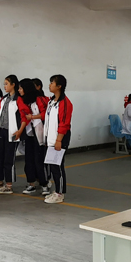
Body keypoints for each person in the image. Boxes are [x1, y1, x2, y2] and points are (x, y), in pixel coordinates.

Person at [17, 78, 50, 196]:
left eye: (21, 88)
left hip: (39, 132)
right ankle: (31, 183)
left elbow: (45, 114)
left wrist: (32, 117)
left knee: (39, 160)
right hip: (29, 133)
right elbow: (23, 117)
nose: (19, 90)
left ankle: (45, 184)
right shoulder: (24, 101)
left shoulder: (39, 99)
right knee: (29, 160)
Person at [44, 74, 73, 204]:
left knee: (57, 166)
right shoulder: (52, 102)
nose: (50, 85)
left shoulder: (65, 103)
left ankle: (60, 193)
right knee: (52, 166)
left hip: (60, 138)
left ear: (59, 86)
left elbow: (64, 123)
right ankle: (56, 191)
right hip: (51, 138)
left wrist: (59, 140)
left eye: (52, 83)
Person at [0, 75, 22, 194]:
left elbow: (24, 115)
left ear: (13, 85)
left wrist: (19, 130)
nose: (4, 86)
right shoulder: (4, 99)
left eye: (6, 84)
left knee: (9, 159)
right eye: (4, 84)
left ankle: (9, 185)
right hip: (2, 131)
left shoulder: (18, 99)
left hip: (12, 132)